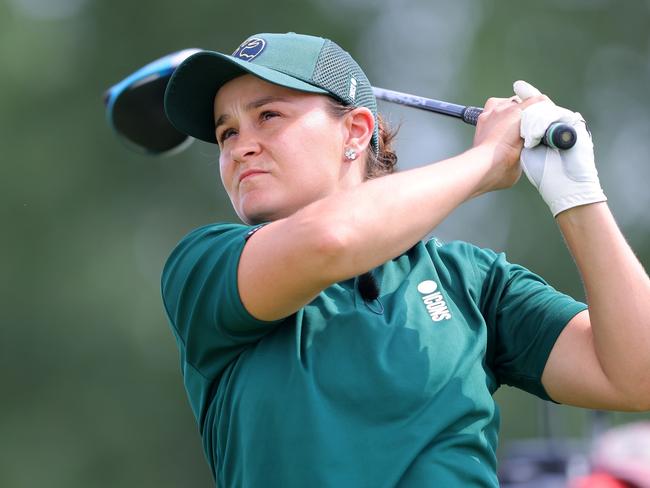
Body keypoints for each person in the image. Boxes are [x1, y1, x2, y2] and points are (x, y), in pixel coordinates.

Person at [160, 32, 650, 487]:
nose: (240, 147)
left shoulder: (473, 283)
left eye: (268, 116)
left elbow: (637, 377)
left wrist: (578, 196)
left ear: (355, 132)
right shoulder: (204, 265)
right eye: (226, 133)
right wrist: (485, 161)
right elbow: (333, 237)